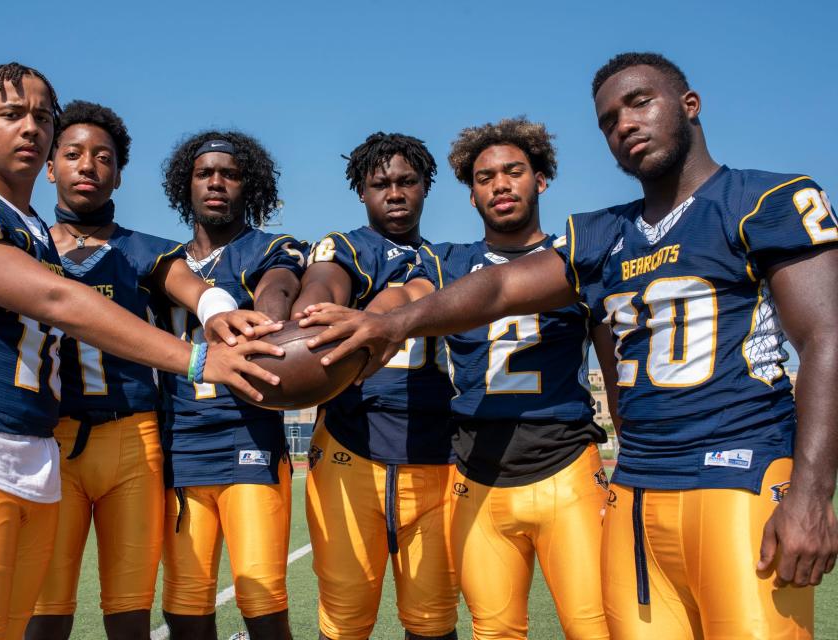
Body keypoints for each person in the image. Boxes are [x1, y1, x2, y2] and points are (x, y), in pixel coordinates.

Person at [304, 52, 838, 639]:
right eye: (609, 119)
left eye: (640, 102)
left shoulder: (766, 199)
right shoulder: (603, 235)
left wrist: (813, 493)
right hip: (631, 483)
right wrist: (384, 322)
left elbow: (824, 337)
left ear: (690, 105)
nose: (625, 124)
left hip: (729, 469)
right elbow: (498, 284)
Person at [0, 63, 282, 640]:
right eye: (12, 114)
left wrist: (216, 307)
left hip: (35, 454)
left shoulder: (43, 234)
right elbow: (56, 298)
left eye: (41, 117)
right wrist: (195, 359)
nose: (31, 128)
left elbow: (179, 278)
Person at [305, 118, 614, 639]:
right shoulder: (448, 262)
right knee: (491, 629)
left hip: (566, 461)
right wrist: (373, 324)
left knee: (597, 626)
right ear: (470, 196)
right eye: (485, 176)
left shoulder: (578, 255)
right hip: (477, 471)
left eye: (513, 171)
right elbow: (408, 295)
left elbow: (613, 357)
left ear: (541, 179)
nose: (500, 184)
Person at [26, 102, 271, 640]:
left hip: (134, 440)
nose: (87, 165)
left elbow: (195, 289)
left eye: (103, 157)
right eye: (72, 154)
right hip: (50, 441)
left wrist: (217, 310)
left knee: (129, 610)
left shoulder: (146, 250)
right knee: (45, 609)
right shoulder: (27, 245)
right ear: (49, 166)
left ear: (118, 171)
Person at [290, 133, 458, 640]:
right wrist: (313, 312)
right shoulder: (345, 246)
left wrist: (382, 313)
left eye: (407, 181)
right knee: (343, 620)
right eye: (380, 183)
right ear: (361, 191)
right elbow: (322, 285)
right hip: (350, 447)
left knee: (432, 621)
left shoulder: (447, 258)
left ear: (426, 186)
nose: (395, 193)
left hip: (435, 455)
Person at [155, 130, 306, 640]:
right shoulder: (163, 263)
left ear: (251, 185)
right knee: (185, 609)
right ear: (186, 184)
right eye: (204, 173)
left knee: (263, 606)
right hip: (179, 446)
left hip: (249, 441)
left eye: (231, 173)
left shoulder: (268, 248)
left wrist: (265, 317)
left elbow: (278, 284)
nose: (217, 182)